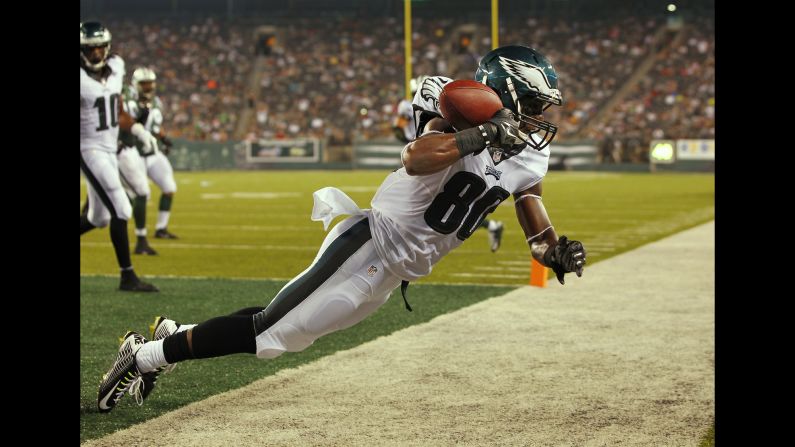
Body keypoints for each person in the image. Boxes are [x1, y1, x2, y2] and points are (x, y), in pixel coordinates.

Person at [97, 45, 587, 412]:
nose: (542, 117)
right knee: (271, 334)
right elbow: (416, 159)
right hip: (370, 242)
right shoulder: (455, 116)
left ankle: (174, 334)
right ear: (504, 95)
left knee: (287, 330)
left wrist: (549, 249)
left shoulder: (531, 151)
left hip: (394, 270)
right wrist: (479, 131)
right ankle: (145, 356)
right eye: (534, 103)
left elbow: (530, 201)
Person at [80, 22, 159, 292]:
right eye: (90, 49)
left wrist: (136, 128)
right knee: (122, 208)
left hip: (110, 147)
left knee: (97, 218)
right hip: (88, 148)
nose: (96, 53)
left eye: (100, 47)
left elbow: (118, 111)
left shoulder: (116, 68)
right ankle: (127, 276)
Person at [393, 75, 505, 252]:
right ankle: (491, 226)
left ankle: (490, 225)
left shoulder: (430, 105)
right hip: (421, 149)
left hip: (430, 148)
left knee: (434, 197)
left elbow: (398, 129)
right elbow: (400, 129)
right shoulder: (411, 106)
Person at [117, 66, 179, 256]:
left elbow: (156, 126)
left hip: (153, 152)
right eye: (144, 83)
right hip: (134, 151)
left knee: (169, 188)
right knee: (138, 194)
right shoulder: (130, 100)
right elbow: (127, 122)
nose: (148, 86)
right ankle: (136, 235)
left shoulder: (157, 102)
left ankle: (160, 228)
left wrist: (163, 138)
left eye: (150, 82)